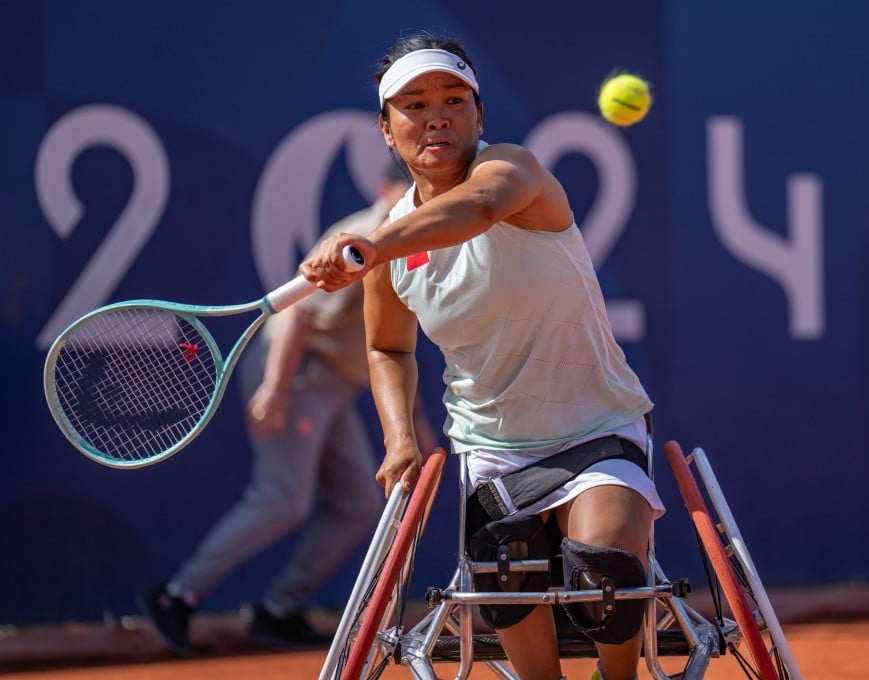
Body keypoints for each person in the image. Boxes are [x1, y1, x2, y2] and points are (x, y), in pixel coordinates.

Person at [300, 33, 664, 680]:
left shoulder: (512, 171)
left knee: (602, 561)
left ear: (478, 114)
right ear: (386, 130)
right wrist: (396, 439)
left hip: (599, 429)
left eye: (453, 99)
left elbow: (477, 207)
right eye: (413, 104)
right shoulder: (390, 250)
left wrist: (374, 244)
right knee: (500, 568)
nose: (436, 114)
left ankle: (620, 677)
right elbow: (387, 347)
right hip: (494, 450)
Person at [139, 165, 437, 657]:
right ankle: (176, 595)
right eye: (408, 186)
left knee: (361, 501)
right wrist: (276, 388)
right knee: (282, 497)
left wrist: (417, 422)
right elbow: (296, 311)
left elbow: (396, 340)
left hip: (334, 385)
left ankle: (279, 610)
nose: (417, 197)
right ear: (386, 189)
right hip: (298, 373)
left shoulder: (412, 248)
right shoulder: (361, 238)